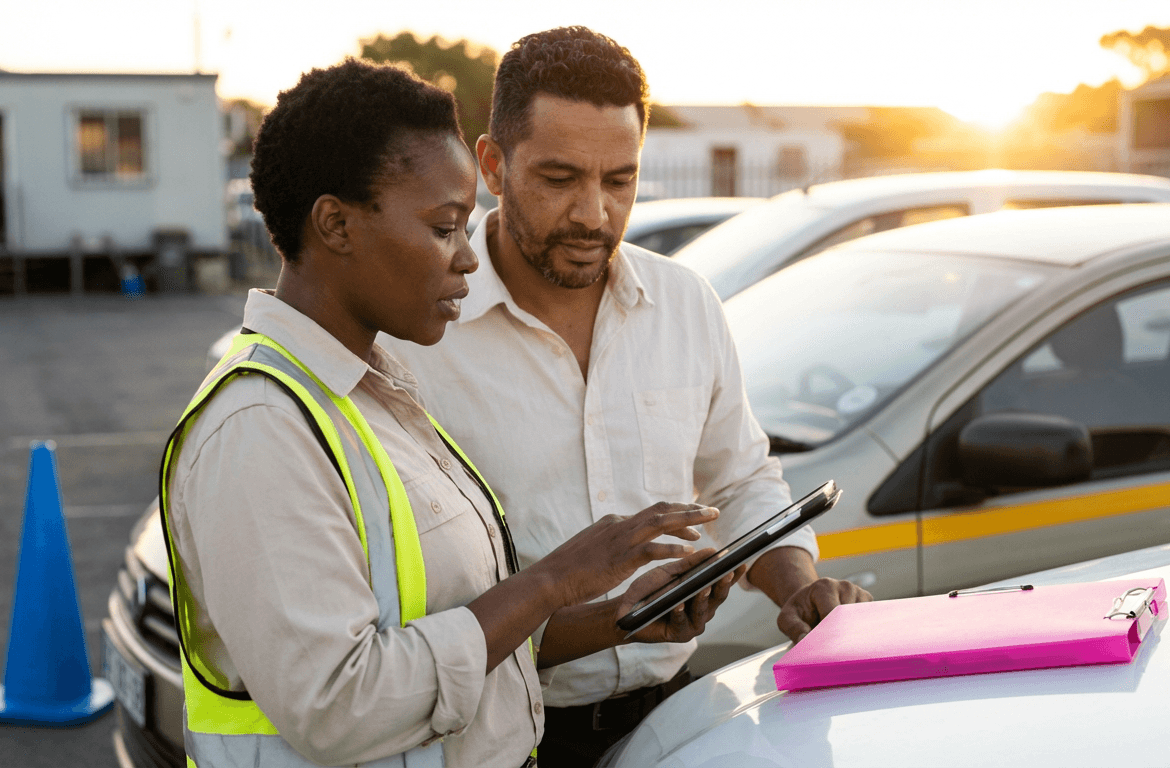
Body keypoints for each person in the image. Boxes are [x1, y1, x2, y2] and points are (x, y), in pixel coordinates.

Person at [159, 58, 741, 768]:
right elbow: (341, 708)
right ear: (336, 224)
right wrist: (552, 579)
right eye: (444, 228)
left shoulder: (379, 395)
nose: (467, 258)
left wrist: (615, 619)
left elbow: (457, 636)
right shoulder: (259, 427)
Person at [382, 27, 873, 767]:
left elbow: (740, 478)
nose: (594, 214)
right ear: (492, 164)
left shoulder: (684, 302)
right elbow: (413, 610)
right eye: (559, 178)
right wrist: (614, 621)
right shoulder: (414, 336)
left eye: (619, 180)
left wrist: (797, 589)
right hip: (501, 739)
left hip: (679, 716)